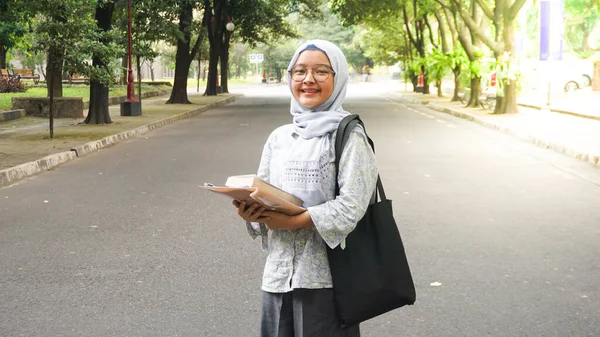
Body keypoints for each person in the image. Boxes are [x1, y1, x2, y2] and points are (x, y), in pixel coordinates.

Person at [233, 39, 378, 337]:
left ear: (338, 79)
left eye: (321, 71)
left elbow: (351, 206)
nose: (308, 79)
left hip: (327, 281)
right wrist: (251, 211)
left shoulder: (349, 136)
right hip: (278, 277)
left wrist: (293, 221)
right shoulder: (280, 137)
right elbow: (263, 190)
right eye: (299, 71)